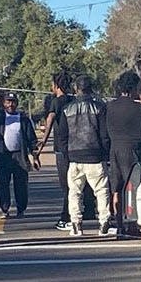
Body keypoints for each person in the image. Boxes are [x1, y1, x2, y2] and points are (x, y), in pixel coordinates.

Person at [37, 71, 97, 231]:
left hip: (62, 149)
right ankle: (89, 209)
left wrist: (42, 143)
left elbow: (50, 120)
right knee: (83, 181)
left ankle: (66, 216)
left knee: (67, 185)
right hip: (76, 145)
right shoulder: (73, 100)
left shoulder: (57, 102)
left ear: (56, 85)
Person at [56, 75, 111, 236]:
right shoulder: (99, 107)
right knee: (101, 191)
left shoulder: (67, 109)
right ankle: (104, 222)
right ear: (91, 88)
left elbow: (62, 136)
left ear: (76, 89)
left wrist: (67, 153)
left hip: (74, 157)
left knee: (74, 191)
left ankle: (76, 224)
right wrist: (104, 153)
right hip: (95, 155)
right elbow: (104, 135)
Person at [106, 71, 141, 239]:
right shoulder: (139, 109)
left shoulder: (110, 107)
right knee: (131, 187)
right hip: (132, 151)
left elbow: (106, 131)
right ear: (133, 88)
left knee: (116, 188)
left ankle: (118, 223)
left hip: (114, 149)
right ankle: (131, 225)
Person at [0, 92, 37, 219]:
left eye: (13, 102)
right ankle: (5, 209)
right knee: (3, 184)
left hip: (19, 156)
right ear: (3, 103)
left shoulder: (24, 119)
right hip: (3, 156)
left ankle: (21, 209)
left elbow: (31, 139)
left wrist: (34, 155)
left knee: (21, 185)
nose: (11, 104)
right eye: (8, 101)